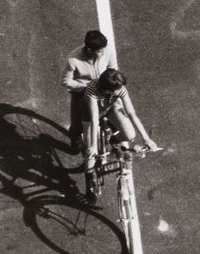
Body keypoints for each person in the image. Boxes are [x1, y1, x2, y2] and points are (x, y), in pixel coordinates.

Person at [80, 68, 160, 200]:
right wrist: (93, 145)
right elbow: (94, 119)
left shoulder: (119, 89)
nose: (122, 90)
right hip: (90, 114)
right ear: (107, 89)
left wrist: (146, 139)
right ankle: (89, 179)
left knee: (130, 135)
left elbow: (131, 113)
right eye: (118, 89)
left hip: (110, 108)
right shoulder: (92, 90)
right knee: (89, 154)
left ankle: (114, 141)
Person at [62, 29, 110, 149]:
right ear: (89, 50)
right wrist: (87, 87)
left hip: (103, 88)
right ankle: (75, 138)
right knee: (77, 124)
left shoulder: (106, 49)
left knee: (115, 111)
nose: (104, 53)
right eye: (100, 51)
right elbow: (65, 81)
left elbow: (113, 68)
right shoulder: (73, 59)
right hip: (82, 92)